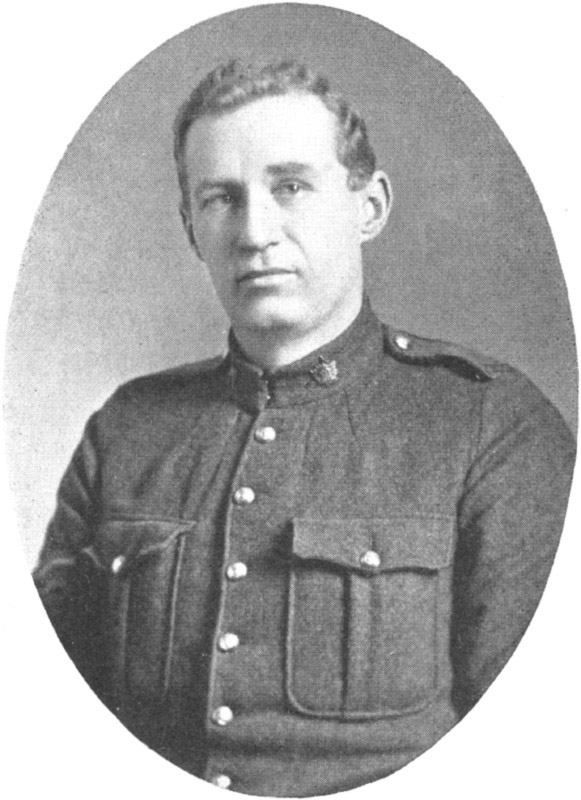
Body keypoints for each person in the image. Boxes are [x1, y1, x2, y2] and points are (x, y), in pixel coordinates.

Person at [33, 60, 576, 796]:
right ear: (191, 229)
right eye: (220, 199)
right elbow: (42, 717)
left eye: (290, 187)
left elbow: (533, 750)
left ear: (368, 206)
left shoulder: (493, 427)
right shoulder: (126, 431)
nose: (254, 232)